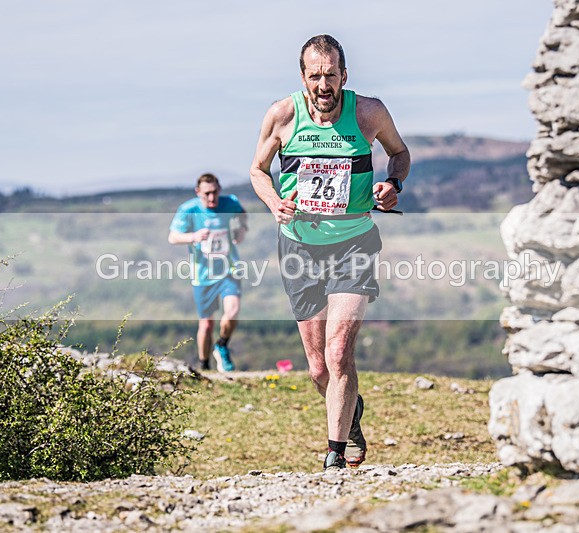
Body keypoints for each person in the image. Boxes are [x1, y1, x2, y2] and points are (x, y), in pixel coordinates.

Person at [249, 35, 410, 470]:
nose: (324, 85)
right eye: (315, 76)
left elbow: (399, 153)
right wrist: (273, 201)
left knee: (340, 354)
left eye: (331, 75)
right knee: (319, 369)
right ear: (303, 77)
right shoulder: (282, 115)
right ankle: (351, 417)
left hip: (354, 243)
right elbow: (258, 170)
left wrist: (392, 185)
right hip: (300, 248)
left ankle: (334, 454)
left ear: (344, 75)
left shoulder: (368, 112)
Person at [168, 173, 248, 372]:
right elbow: (173, 237)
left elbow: (242, 215)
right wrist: (193, 236)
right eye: (206, 194)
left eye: (214, 193)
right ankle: (204, 365)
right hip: (203, 273)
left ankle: (222, 344)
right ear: (198, 192)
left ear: (220, 189)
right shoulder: (188, 209)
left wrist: (240, 230)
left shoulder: (230, 203)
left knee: (233, 311)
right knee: (206, 324)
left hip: (229, 268)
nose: (211, 198)